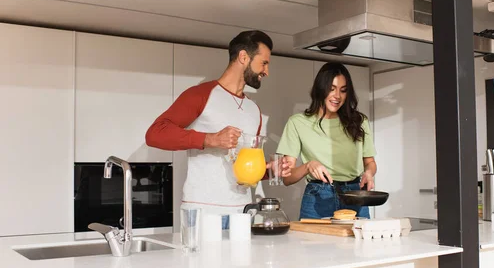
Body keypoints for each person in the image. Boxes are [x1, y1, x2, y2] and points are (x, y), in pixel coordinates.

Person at [145, 30, 289, 229]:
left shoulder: (253, 110)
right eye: (264, 63)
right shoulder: (201, 95)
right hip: (204, 212)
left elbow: (242, 166)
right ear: (243, 57)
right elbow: (155, 134)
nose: (266, 71)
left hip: (243, 212)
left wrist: (267, 169)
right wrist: (210, 139)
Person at [276, 62, 377, 219]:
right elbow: (287, 178)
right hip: (317, 197)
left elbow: (370, 162)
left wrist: (369, 173)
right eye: (332, 89)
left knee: (360, 243)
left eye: (343, 91)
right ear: (320, 89)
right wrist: (308, 166)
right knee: (312, 244)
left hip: (355, 195)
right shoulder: (297, 123)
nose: (337, 96)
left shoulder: (359, 121)